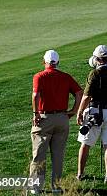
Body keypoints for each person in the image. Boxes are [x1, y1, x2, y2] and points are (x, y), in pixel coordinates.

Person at [29, 50, 82, 194]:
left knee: (39, 154)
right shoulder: (66, 77)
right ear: (58, 62)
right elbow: (79, 93)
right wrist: (73, 111)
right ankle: (56, 187)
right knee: (58, 155)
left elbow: (35, 96)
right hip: (62, 119)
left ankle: (36, 187)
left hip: (44, 119)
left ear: (44, 62)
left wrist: (35, 113)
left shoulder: (39, 76)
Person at [76, 45, 107, 183]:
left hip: (95, 112)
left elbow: (86, 97)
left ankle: (80, 174)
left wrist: (79, 113)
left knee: (85, 144)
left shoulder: (94, 74)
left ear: (97, 59)